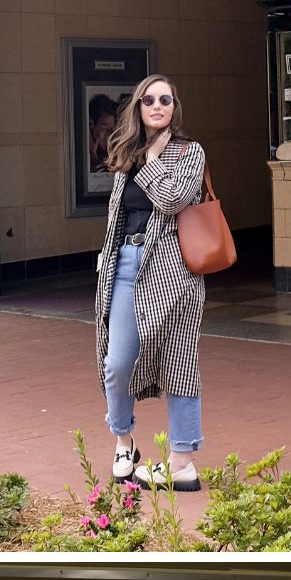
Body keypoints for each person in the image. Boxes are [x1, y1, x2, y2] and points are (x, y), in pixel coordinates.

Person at [95, 74, 209, 491]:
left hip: (174, 272)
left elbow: (173, 199)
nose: (157, 106)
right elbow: (117, 218)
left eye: (166, 99)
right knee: (117, 362)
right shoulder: (126, 152)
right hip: (126, 263)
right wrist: (107, 260)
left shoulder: (188, 152)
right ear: (138, 108)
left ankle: (182, 460)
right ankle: (124, 441)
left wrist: (157, 156)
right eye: (148, 100)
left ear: (175, 107)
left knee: (179, 365)